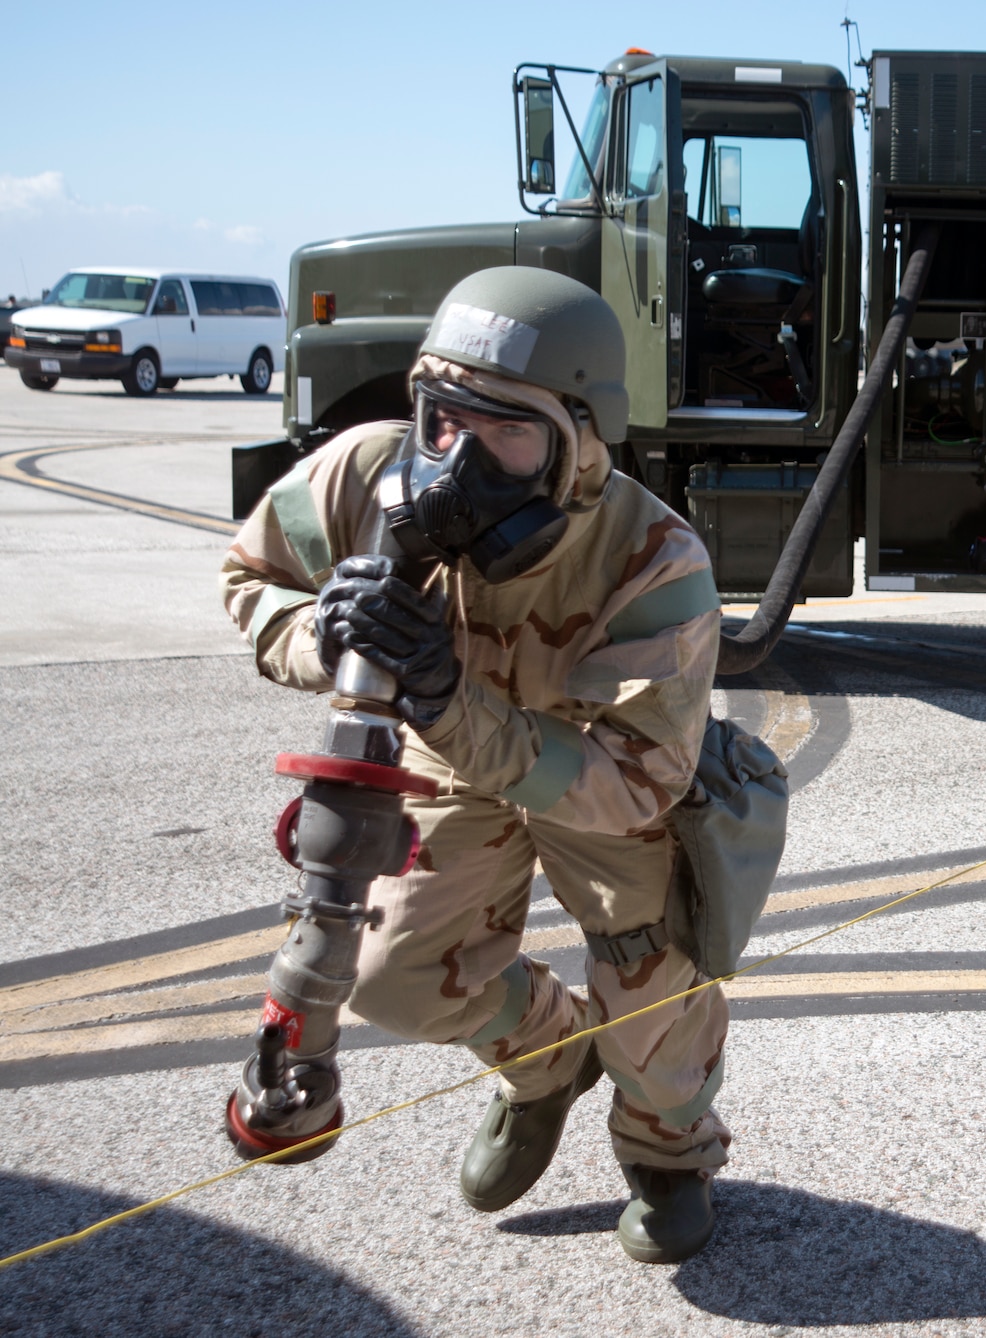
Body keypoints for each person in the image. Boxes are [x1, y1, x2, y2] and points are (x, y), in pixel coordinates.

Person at [220, 267, 729, 1263]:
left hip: (591, 773)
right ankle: (546, 1064)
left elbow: (633, 782)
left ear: (580, 441)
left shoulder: (653, 559)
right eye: (442, 418)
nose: (457, 461)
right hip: (450, 761)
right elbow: (252, 574)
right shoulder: (365, 475)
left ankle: (668, 1155)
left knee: (648, 980)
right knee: (394, 977)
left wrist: (449, 700)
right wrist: (319, 635)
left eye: (507, 432)